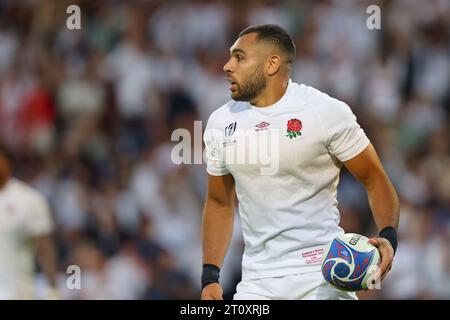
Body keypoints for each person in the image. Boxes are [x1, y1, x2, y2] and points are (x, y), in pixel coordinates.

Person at [201, 24, 399, 300]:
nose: (227, 66)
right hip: (257, 282)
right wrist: (210, 276)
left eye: (240, 57)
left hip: (322, 276)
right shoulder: (221, 122)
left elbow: (374, 179)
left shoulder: (325, 112)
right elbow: (219, 202)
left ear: (272, 64)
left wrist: (388, 237)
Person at [0, 146, 60, 299]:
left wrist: (53, 289)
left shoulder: (29, 200)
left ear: (9, 163)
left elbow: (45, 249)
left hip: (16, 292)